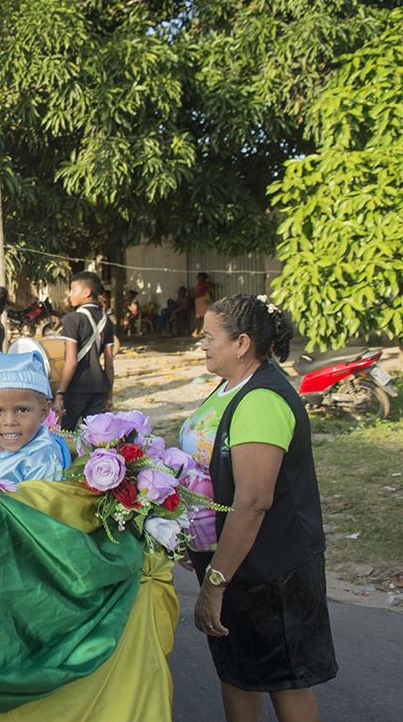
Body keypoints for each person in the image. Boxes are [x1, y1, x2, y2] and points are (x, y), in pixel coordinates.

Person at [186, 295, 335, 722]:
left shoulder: (262, 400)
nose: (203, 344)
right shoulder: (231, 386)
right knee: (238, 672)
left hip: (271, 571)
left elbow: (252, 501)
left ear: (242, 343)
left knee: (285, 681)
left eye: (210, 336)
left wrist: (215, 582)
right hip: (236, 564)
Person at [0, 350, 69, 484]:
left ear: (43, 412)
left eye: (22, 410)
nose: (9, 422)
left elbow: (38, 503)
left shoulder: (42, 459)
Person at [54, 271, 115, 431]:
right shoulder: (106, 321)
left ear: (87, 293)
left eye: (73, 290)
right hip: (99, 388)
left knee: (65, 435)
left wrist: (60, 393)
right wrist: (109, 395)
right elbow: (109, 363)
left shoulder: (72, 319)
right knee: (96, 438)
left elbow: (72, 361)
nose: (70, 294)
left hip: (75, 387)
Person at [192, 272, 214, 338]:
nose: (198, 278)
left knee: (204, 316)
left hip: (203, 300)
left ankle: (201, 331)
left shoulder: (205, 284)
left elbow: (209, 292)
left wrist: (210, 300)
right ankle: (198, 331)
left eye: (199, 277)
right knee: (199, 317)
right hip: (198, 301)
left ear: (204, 278)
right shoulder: (199, 284)